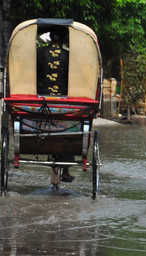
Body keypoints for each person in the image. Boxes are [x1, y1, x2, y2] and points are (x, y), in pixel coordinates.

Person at [37, 28, 75, 183]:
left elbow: (36, 75)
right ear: (63, 40)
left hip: (41, 101)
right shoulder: (68, 56)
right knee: (67, 129)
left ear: (51, 38)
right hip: (62, 101)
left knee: (46, 126)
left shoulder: (39, 53)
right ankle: (65, 169)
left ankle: (54, 169)